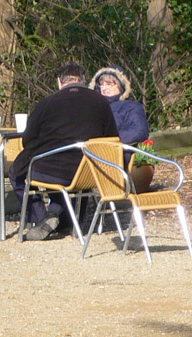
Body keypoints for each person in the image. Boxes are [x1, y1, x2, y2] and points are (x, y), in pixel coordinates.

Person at [10, 62, 118, 240]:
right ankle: (65, 221)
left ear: (60, 81)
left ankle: (42, 218)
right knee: (69, 174)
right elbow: (111, 137)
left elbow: (28, 140)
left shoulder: (47, 103)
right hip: (89, 170)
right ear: (83, 81)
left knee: (17, 172)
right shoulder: (101, 102)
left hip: (53, 169)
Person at [92, 66, 150, 147]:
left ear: (121, 86)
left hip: (118, 154)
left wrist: (109, 140)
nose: (104, 88)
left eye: (109, 84)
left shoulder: (131, 107)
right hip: (89, 153)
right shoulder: (91, 108)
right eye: (101, 84)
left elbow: (139, 132)